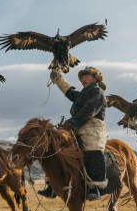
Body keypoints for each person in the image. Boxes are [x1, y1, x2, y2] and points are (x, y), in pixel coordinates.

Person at [42, 67, 108, 201]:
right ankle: (52, 185)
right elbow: (70, 91)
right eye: (82, 78)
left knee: (92, 150)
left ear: (95, 78)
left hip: (92, 128)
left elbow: (89, 111)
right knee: (56, 149)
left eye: (87, 77)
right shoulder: (83, 93)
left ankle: (95, 187)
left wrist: (71, 123)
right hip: (76, 126)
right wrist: (58, 79)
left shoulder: (98, 92)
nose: (83, 80)